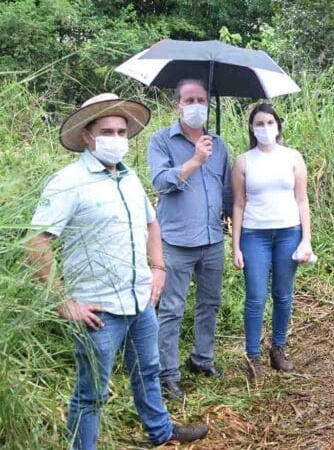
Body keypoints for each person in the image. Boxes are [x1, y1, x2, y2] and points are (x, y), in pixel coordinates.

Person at [25, 93, 208, 450]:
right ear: (87, 136)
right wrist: (61, 300)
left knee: (148, 370)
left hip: (138, 298)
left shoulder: (129, 177)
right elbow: (35, 242)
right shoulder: (68, 181)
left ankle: (160, 431)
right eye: (107, 131)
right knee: (92, 392)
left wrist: (158, 268)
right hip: (98, 309)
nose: (116, 138)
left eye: (122, 132)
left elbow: (151, 223)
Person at [147, 79, 232, 401]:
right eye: (189, 100)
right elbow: (160, 182)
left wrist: (233, 228)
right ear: (177, 105)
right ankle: (167, 373)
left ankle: (202, 359)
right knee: (171, 308)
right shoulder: (161, 141)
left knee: (210, 303)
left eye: (201, 100)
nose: (196, 105)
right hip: (176, 240)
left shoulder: (218, 145)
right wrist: (194, 160)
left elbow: (226, 190)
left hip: (212, 239)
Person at [231, 103, 312, 377]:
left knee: (283, 295)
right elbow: (238, 204)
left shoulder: (293, 157)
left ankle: (278, 349)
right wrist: (235, 245)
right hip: (255, 235)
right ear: (251, 129)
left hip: (289, 232)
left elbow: (302, 200)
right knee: (256, 297)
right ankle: (253, 357)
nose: (265, 128)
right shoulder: (243, 161)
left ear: (278, 125)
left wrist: (306, 240)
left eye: (269, 123)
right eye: (259, 124)